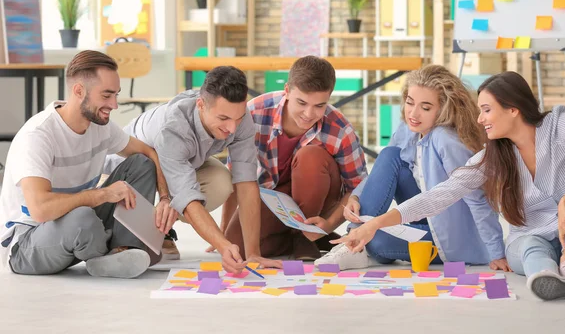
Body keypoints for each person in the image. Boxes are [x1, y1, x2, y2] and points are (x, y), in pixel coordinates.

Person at [334, 71, 565, 301]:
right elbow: (440, 195)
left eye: (486, 110)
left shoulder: (557, 124)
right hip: (533, 241)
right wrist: (373, 224)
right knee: (529, 245)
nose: (480, 119)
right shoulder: (492, 156)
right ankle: (547, 278)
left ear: (513, 109)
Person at [0, 50, 177, 278]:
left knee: (140, 164)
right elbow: (40, 210)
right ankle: (101, 254)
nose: (114, 104)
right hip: (27, 243)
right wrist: (102, 195)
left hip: (80, 223)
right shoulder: (38, 135)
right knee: (82, 217)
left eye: (116, 95)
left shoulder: (101, 127)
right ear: (79, 91)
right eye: (106, 95)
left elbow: (149, 152)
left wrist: (164, 199)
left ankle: (124, 250)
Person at [316, 65, 507, 271]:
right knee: (391, 155)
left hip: (450, 237)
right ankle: (355, 240)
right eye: (410, 103)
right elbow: (383, 168)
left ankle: (357, 245)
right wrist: (355, 196)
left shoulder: (447, 141)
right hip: (424, 214)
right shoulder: (409, 128)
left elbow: (478, 200)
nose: (413, 114)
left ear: (443, 109)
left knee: (376, 240)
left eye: (425, 108)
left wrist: (496, 253)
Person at [105, 66, 280, 272]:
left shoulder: (237, 116)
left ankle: (161, 224)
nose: (233, 128)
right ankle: (149, 228)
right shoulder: (174, 128)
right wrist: (223, 246)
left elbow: (246, 182)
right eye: (223, 119)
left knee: (220, 181)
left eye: (238, 119)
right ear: (200, 105)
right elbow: (188, 198)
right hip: (133, 169)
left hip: (182, 162)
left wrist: (253, 253)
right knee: (175, 194)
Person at [222, 55, 368, 260]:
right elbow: (235, 174)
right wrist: (223, 233)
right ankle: (306, 239)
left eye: (319, 105)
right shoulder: (254, 113)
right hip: (274, 197)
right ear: (287, 90)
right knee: (238, 247)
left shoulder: (339, 129)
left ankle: (307, 236)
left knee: (310, 156)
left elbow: (358, 186)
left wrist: (329, 224)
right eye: (301, 102)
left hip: (320, 195)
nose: (309, 114)